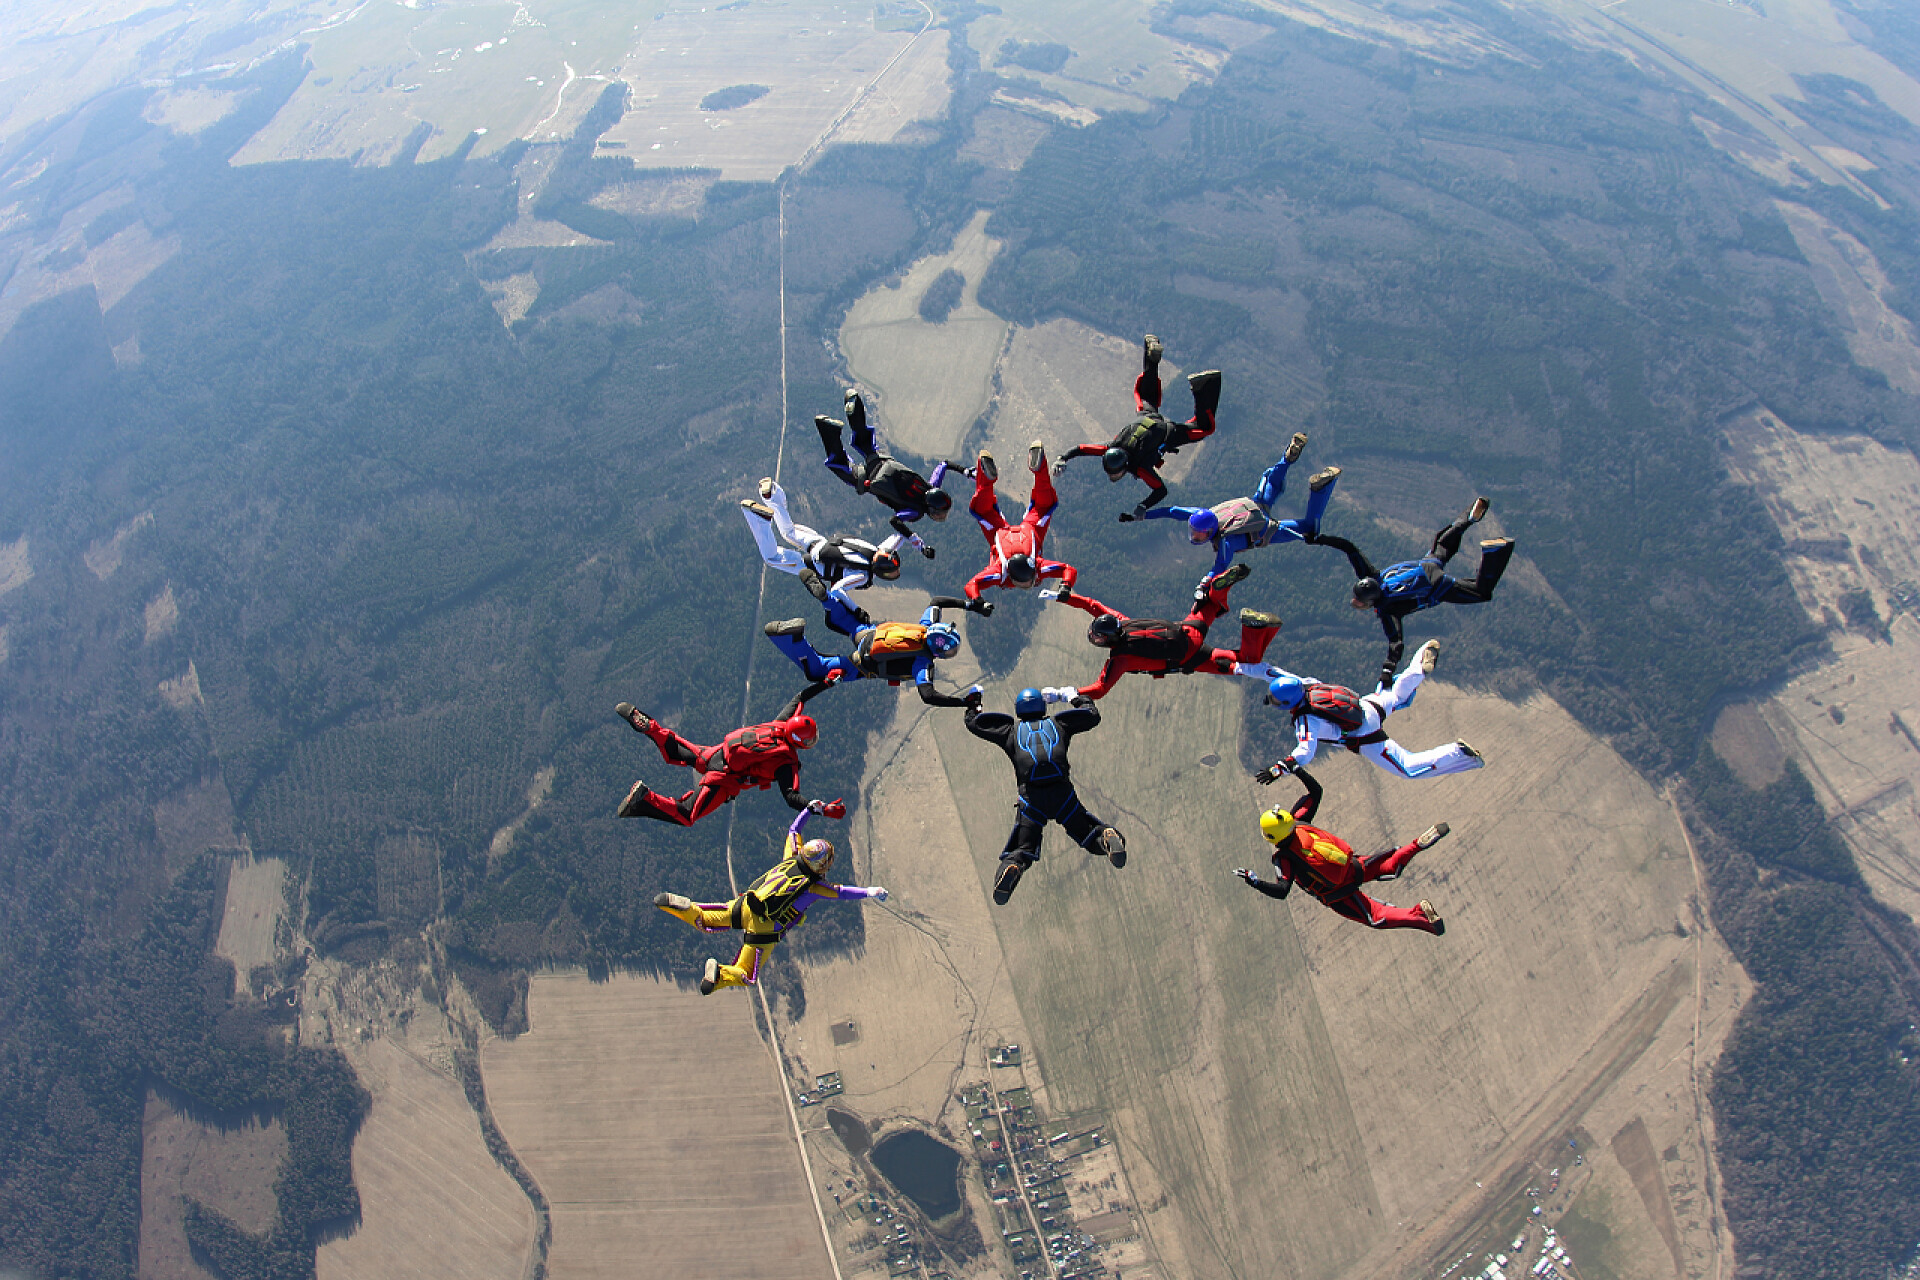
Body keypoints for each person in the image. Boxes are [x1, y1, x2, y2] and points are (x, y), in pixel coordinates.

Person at [654, 803, 887, 994]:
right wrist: (870, 891)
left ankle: (684, 908)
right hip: (764, 928)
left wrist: (809, 810)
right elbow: (842, 892)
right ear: (823, 866)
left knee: (705, 920)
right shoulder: (814, 886)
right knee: (746, 975)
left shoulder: (791, 857)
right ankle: (719, 977)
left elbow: (793, 831)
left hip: (747, 903)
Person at [1313, 496, 1516, 690]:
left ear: (1371, 601)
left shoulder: (1387, 609)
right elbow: (1349, 548)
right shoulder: (1371, 575)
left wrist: (1387, 671)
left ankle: (1494, 552)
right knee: (1443, 544)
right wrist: (1319, 539)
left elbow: (1396, 642)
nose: (1355, 603)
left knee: (1481, 593)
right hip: (1427, 563)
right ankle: (1469, 517)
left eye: (1359, 602)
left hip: (1435, 585)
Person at [1233, 768, 1449, 935]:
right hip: (1350, 865)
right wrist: (1295, 769)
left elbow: (1282, 890)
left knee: (1375, 916)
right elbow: (1316, 791)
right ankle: (1416, 845)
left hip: (1337, 893)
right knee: (1388, 867)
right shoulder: (1299, 820)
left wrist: (1255, 882)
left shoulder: (1284, 857)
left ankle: (1421, 919)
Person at [963, 685, 1126, 905]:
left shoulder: (1009, 731)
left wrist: (974, 702)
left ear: (1019, 709)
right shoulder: (1060, 724)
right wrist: (1071, 697)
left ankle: (1014, 867)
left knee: (1022, 849)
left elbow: (973, 723)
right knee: (1088, 835)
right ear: (1042, 705)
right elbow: (1092, 716)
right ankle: (1105, 835)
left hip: (1032, 801)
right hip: (1063, 796)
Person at [1236, 639, 1484, 781]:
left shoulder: (1306, 721)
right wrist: (1237, 667)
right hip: (1368, 705)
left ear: (1288, 703)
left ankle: (1459, 753)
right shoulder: (1305, 683)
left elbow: (1304, 752)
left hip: (1365, 735)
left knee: (1409, 768)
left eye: (1276, 701)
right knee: (1398, 694)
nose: (1273, 702)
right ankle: (1419, 664)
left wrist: (1278, 769)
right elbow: (1271, 672)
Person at [612, 681, 844, 826]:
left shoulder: (780, 724)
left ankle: (650, 726)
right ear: (799, 742)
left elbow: (800, 697)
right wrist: (822, 809)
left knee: (676, 750)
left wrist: (827, 682)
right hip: (724, 780)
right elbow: (792, 798)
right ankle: (644, 797)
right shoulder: (786, 763)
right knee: (686, 815)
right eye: (810, 739)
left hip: (716, 754)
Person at [1042, 563, 1281, 700]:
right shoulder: (1122, 621)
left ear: (1109, 640)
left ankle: (1253, 628)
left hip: (1190, 657)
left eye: (1097, 637)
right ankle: (1218, 586)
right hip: (1186, 630)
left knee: (1245, 663)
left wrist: (1065, 694)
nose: (1093, 637)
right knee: (1209, 604)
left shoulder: (1121, 660)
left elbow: (1100, 689)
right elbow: (1092, 605)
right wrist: (1064, 597)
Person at [1055, 334, 1222, 517]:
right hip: (1146, 417)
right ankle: (1151, 357)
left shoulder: (1139, 466)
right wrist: (1063, 457)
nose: (1113, 477)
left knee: (1203, 429)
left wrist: (1143, 506)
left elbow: (1161, 490)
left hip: (1167, 432)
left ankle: (1206, 385)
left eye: (1115, 474)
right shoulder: (1111, 447)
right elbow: (1081, 449)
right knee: (1146, 395)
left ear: (1125, 466)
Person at [742, 476, 931, 636]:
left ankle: (772, 494)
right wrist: (856, 610)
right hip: (812, 564)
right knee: (772, 558)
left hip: (820, 542)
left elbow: (899, 536)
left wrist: (921, 546)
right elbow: (838, 589)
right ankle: (762, 521)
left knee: (788, 531)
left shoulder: (879, 549)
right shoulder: (863, 575)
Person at [1136, 433, 1342, 577]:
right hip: (1254, 505)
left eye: (1198, 534)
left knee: (1310, 530)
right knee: (1272, 483)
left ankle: (1319, 490)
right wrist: (1145, 514)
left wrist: (1205, 582)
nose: (1195, 537)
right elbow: (1172, 511)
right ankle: (1286, 459)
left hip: (1265, 530)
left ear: (1210, 530)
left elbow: (1220, 565)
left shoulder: (1226, 541)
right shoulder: (1205, 514)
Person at [764, 596, 987, 708]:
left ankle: (828, 600)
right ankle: (792, 637)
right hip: (861, 663)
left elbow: (936, 601)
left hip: (870, 634)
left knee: (844, 622)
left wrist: (970, 605)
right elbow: (928, 696)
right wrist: (963, 702)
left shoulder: (926, 625)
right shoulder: (923, 662)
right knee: (816, 671)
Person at [816, 388, 956, 538]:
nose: (940, 517)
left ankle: (854, 404)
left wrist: (968, 472)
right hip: (869, 479)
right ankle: (828, 430)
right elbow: (895, 520)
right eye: (940, 514)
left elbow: (944, 465)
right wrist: (916, 541)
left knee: (865, 442)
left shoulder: (931, 486)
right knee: (840, 465)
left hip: (881, 461)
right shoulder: (916, 512)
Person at [962, 442, 1077, 601]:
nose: (1027, 584)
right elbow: (971, 586)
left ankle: (1040, 468)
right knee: (983, 511)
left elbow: (1068, 569)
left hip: (1025, 530)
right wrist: (977, 600)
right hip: (1003, 532)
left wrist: (1066, 585)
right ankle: (984, 479)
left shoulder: (1035, 567)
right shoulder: (1000, 572)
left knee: (1044, 506)